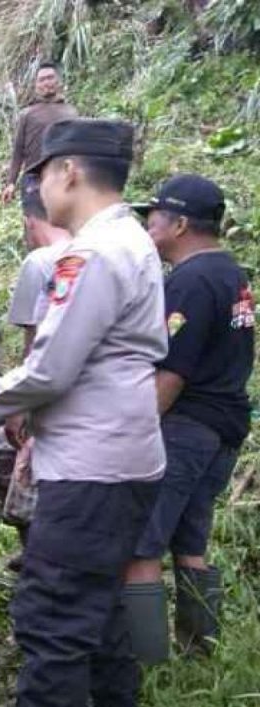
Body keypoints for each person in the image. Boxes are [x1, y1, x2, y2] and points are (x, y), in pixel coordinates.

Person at [0, 118, 167, 707]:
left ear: (68, 172)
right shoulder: (132, 239)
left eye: (42, 177)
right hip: (125, 459)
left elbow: (50, 369)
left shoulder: (93, 253)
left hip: (89, 469)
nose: (39, 192)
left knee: (52, 616)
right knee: (98, 609)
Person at [123, 175, 254, 662]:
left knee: (141, 544)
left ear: (179, 225)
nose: (147, 229)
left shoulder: (190, 281)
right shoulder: (231, 273)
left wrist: (135, 431)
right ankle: (199, 653)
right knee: (190, 542)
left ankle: (146, 664)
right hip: (224, 426)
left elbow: (172, 372)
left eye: (152, 219)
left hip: (186, 428)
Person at [0, 188, 72, 572]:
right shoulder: (100, 250)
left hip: (45, 389)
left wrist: (17, 407)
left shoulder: (40, 261)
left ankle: (36, 551)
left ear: (29, 221)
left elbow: (33, 342)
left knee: (8, 455)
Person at [1, 62, 78, 224]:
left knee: (64, 227)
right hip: (34, 181)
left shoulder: (71, 112)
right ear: (36, 85)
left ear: (58, 81)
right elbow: (18, 150)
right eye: (42, 79)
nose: (46, 83)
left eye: (50, 78)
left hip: (62, 178)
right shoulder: (27, 115)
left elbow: (77, 149)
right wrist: (11, 183)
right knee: (36, 227)